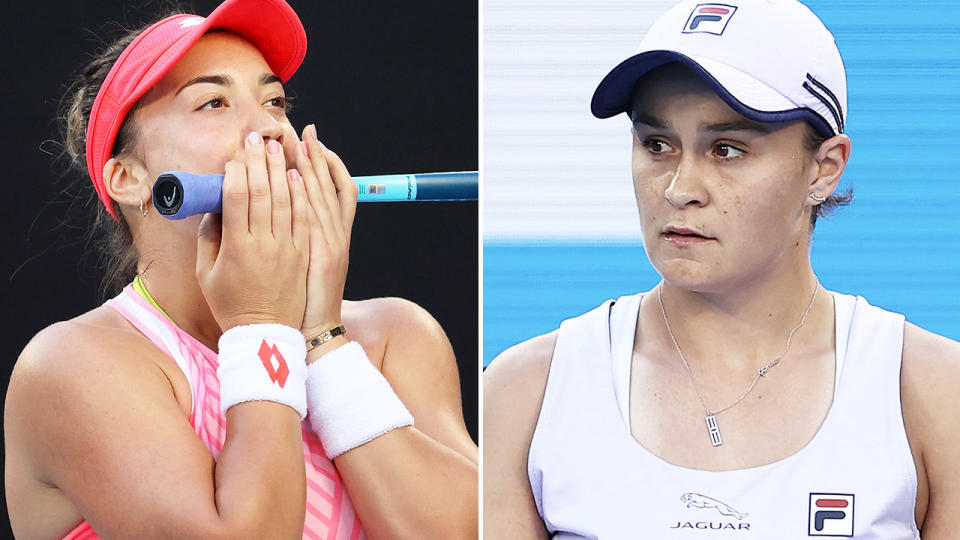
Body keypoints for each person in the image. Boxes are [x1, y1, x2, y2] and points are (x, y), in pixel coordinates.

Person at [483, 0, 960, 538]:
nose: (679, 188)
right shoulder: (525, 390)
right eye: (656, 144)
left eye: (727, 149)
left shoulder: (938, 391)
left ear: (823, 170)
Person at [4, 0, 477, 538]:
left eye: (274, 101)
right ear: (129, 179)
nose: (269, 130)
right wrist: (260, 323)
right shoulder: (72, 364)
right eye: (213, 102)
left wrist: (320, 337)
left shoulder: (394, 335)